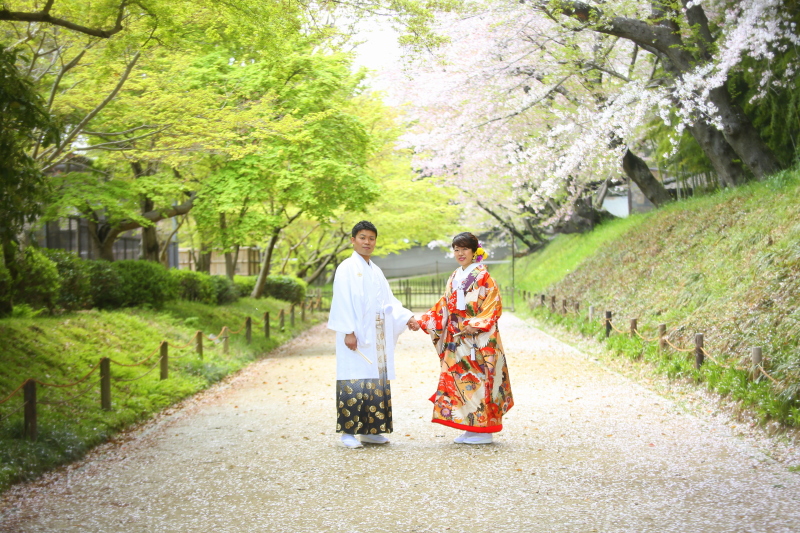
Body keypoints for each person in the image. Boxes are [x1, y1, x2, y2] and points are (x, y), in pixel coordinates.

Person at [327, 221, 420, 448]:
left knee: (375, 381)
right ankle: (348, 433)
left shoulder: (375, 270)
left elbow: (388, 302)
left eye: (371, 238)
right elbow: (342, 301)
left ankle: (372, 430)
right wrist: (348, 332)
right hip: (356, 336)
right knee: (353, 379)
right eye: (362, 237)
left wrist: (406, 317)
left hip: (377, 335)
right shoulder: (346, 268)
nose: (367, 242)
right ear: (353, 240)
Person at [417, 232, 514, 444]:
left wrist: (475, 324)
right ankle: (471, 427)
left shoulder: (483, 277)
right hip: (457, 339)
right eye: (456, 249)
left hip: (477, 340)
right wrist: (425, 321)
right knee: (460, 382)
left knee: (479, 380)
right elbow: (444, 304)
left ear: (474, 251)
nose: (460, 254)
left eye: (465, 249)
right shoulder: (454, 276)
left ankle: (484, 431)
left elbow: (493, 305)